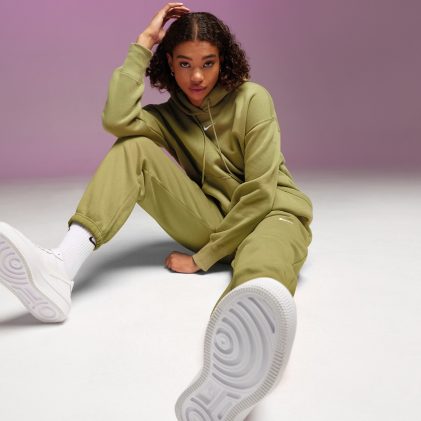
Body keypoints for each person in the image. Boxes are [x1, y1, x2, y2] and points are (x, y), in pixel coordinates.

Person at [0, 2, 313, 420]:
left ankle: (233, 374)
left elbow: (259, 193)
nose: (197, 76)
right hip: (215, 221)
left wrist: (202, 259)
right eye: (184, 64)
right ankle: (60, 268)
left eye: (208, 63)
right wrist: (143, 43)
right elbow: (117, 120)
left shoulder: (252, 99)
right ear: (169, 63)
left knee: (261, 271)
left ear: (224, 61)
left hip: (272, 215)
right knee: (133, 146)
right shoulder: (167, 118)